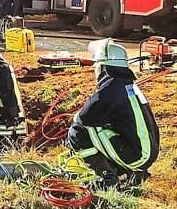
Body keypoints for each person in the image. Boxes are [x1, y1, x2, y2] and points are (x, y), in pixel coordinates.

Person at [67, 38, 159, 187]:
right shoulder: (126, 85)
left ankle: (107, 178)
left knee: (78, 131)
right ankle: (128, 173)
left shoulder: (111, 88)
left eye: (96, 66)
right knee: (101, 129)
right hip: (144, 154)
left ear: (103, 67)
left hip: (137, 156)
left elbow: (84, 117)